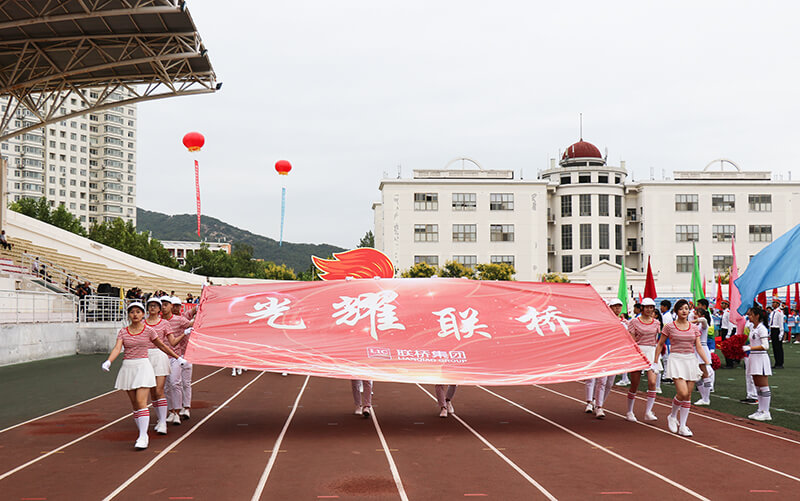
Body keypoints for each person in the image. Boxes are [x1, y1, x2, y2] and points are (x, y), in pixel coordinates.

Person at [101, 302, 184, 449]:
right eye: (132, 312)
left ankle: (143, 436)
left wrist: (177, 357)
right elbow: (117, 348)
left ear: (142, 314)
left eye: (138, 312)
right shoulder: (123, 332)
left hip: (143, 367)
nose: (135, 314)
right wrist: (109, 361)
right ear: (129, 315)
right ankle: (142, 432)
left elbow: (162, 345)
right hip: (128, 367)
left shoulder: (149, 331)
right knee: (135, 404)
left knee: (141, 401)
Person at [654, 299, 710, 437]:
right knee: (682, 393)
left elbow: (698, 345)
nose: (684, 311)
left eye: (686, 308)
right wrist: (655, 361)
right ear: (676, 311)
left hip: (690, 360)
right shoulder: (669, 327)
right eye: (681, 309)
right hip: (676, 359)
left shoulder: (694, 328)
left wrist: (706, 361)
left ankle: (683, 425)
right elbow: (660, 344)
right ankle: (672, 416)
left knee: (688, 395)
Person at [144, 296, 179, 434]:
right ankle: (160, 419)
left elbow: (172, 341)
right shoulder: (142, 323)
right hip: (145, 357)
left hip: (160, 356)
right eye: (150, 305)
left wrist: (185, 334)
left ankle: (163, 422)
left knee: (159, 390)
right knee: (152, 392)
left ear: (159, 309)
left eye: (155, 305)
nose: (152, 307)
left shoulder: (164, 323)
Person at [625, 297, 662, 422]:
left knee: (652, 382)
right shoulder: (634, 322)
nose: (649, 310)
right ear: (642, 308)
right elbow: (632, 339)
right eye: (647, 307)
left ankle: (648, 411)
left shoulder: (657, 323)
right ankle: (629, 411)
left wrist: (657, 357)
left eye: (651, 307)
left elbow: (657, 340)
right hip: (638, 351)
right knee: (634, 384)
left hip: (651, 351)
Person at [592, 298, 626, 419]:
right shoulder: (603, 321)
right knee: (602, 380)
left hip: (615, 355)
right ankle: (599, 407)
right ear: (609, 307)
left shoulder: (624, 322)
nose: (617, 308)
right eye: (614, 306)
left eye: (619, 306)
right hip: (603, 354)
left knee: (610, 383)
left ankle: (598, 402)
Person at [162, 296, 194, 424]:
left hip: (184, 355)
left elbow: (196, 314)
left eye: (177, 306)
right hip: (169, 356)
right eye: (173, 305)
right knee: (168, 386)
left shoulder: (183, 318)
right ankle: (172, 410)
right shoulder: (161, 321)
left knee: (183, 383)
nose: (175, 308)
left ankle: (185, 408)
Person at [744, 307, 773, 421]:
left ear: (757, 316)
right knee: (757, 385)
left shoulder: (762, 329)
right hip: (754, 357)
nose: (749, 316)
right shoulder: (752, 327)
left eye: (751, 315)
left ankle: (766, 412)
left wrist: (750, 347)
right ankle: (760, 409)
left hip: (760, 357)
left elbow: (766, 346)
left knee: (763, 385)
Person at [690, 299, 714, 406]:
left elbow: (704, 321)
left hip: (702, 348)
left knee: (704, 372)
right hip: (695, 349)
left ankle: (706, 398)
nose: (695, 315)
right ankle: (703, 397)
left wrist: (695, 320)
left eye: (697, 313)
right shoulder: (695, 325)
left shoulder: (703, 324)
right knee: (696, 374)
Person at [768, 298, 784, 369]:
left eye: (774, 303)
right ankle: (776, 362)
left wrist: (781, 333)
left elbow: (781, 323)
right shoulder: (772, 312)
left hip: (777, 330)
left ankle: (780, 363)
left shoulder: (779, 312)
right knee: (774, 347)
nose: (772, 304)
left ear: (777, 304)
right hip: (773, 330)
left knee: (778, 348)